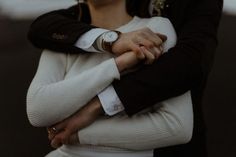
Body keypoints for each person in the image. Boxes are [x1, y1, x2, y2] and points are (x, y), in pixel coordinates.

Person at [27, 0, 223, 156]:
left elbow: (191, 63)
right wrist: (113, 43)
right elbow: (39, 28)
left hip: (173, 147)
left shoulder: (160, 25)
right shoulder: (74, 31)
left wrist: (96, 108)